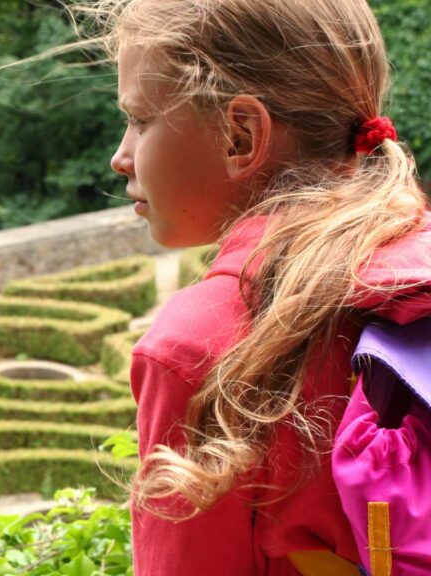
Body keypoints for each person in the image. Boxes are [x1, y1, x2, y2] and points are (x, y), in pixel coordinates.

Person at [75, 0, 431, 574]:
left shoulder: (194, 346)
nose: (121, 156)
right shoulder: (416, 264)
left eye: (140, 119)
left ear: (240, 134)